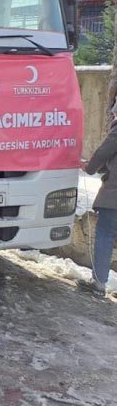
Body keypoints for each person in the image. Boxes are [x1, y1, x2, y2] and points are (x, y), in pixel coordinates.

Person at [80, 99, 117, 297]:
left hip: (114, 195)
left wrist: (90, 167)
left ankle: (99, 282)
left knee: (105, 234)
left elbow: (104, 152)